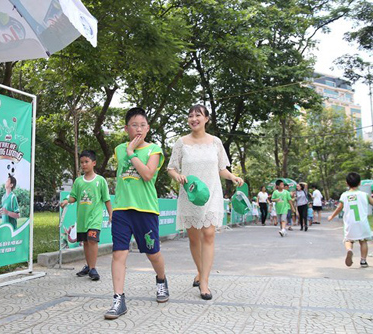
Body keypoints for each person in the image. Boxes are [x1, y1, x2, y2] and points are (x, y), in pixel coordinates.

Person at [167, 104, 243, 301]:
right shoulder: (181, 143)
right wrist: (178, 176)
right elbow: (171, 168)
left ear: (206, 119)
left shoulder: (215, 142)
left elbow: (221, 169)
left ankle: (204, 282)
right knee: (194, 238)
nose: (194, 118)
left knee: (208, 234)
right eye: (190, 115)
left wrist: (233, 177)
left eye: (198, 115)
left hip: (212, 194)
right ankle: (200, 271)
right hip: (190, 195)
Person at [104, 107, 168, 320]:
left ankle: (161, 280)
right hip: (122, 208)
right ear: (126, 128)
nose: (139, 129)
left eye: (142, 125)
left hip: (146, 210)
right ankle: (118, 298)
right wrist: (128, 151)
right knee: (119, 253)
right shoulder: (118, 149)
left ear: (148, 128)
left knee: (153, 253)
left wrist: (132, 153)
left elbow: (148, 174)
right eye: (134, 125)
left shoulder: (154, 150)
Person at [60, 150, 112, 281]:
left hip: (94, 218)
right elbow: (74, 197)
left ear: (93, 163)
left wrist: (111, 214)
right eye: (82, 162)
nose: (84, 165)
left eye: (86, 162)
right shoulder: (78, 181)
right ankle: (88, 266)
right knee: (86, 242)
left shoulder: (100, 181)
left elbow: (106, 199)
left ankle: (93, 268)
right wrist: (67, 201)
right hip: (82, 219)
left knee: (92, 240)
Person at [328, 172, 373, 267]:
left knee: (348, 240)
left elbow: (339, 208)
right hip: (362, 222)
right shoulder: (364, 195)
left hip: (350, 222)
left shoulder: (344, 195)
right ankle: (363, 261)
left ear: (346, 183)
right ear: (359, 183)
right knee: (363, 241)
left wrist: (332, 216)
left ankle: (349, 250)